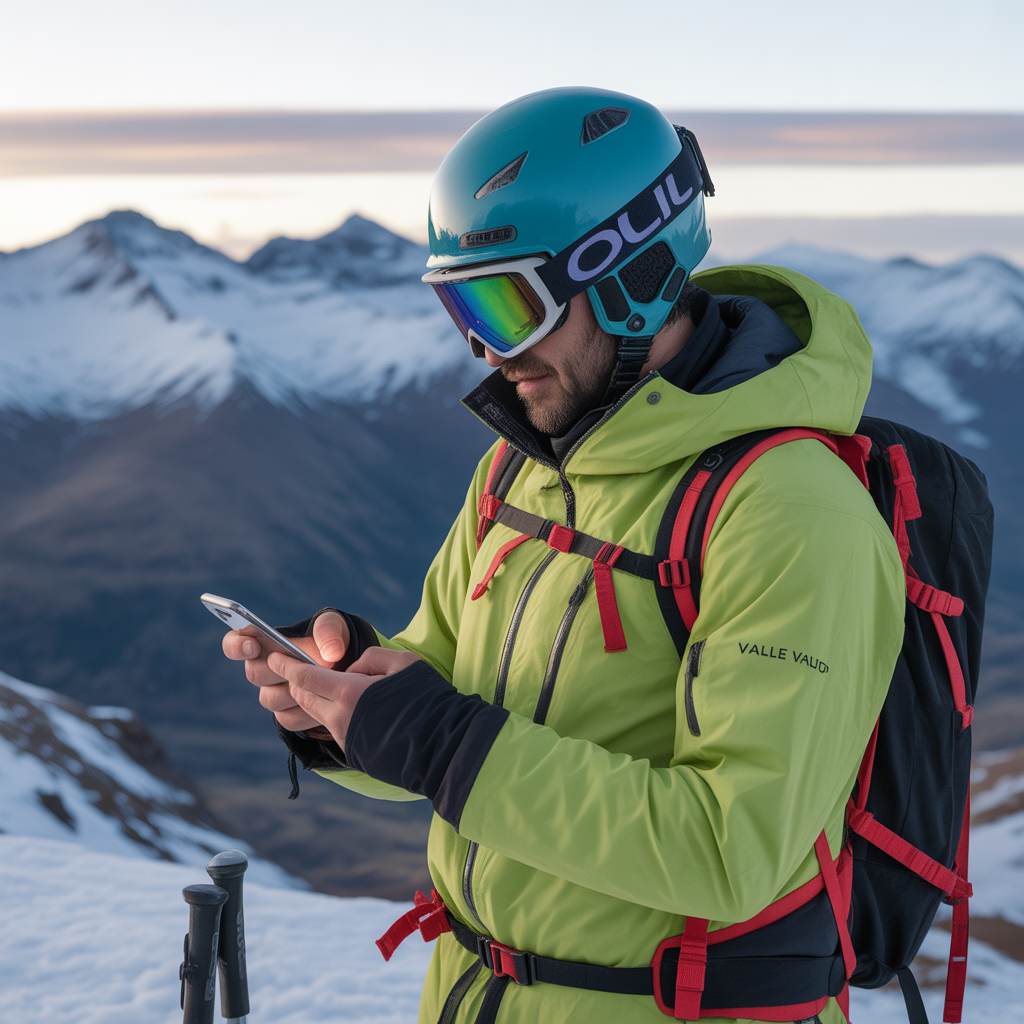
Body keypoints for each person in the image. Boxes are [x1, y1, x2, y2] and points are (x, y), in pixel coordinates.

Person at [223, 87, 905, 1024]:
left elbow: (733, 849)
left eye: (507, 304)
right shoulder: (523, 469)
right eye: (461, 308)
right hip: (479, 994)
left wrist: (443, 742)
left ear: (630, 271)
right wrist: (342, 704)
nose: (485, 351)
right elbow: (445, 704)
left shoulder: (789, 510)